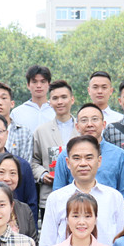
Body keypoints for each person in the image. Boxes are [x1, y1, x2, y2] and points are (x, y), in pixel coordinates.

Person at [40, 135, 124, 246]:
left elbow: (121, 243)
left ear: (99, 161)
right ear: (68, 163)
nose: (83, 163)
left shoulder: (114, 197)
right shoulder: (56, 198)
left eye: (89, 158)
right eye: (76, 158)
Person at [51, 104, 124, 208]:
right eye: (84, 120)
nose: (89, 124)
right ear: (77, 126)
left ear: (103, 124)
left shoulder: (119, 155)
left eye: (95, 119)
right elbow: (58, 195)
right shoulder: (65, 155)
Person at [31, 80, 76, 214]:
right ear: (49, 102)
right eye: (55, 98)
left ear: (72, 100)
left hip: (81, 195)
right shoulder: (41, 131)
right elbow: (34, 161)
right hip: (50, 195)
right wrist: (43, 175)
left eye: (64, 97)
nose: (60, 102)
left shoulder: (83, 129)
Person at [10, 65, 55, 133]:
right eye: (34, 82)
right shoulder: (17, 113)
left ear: (49, 85)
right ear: (28, 85)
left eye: (43, 82)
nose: (39, 86)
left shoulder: (56, 112)